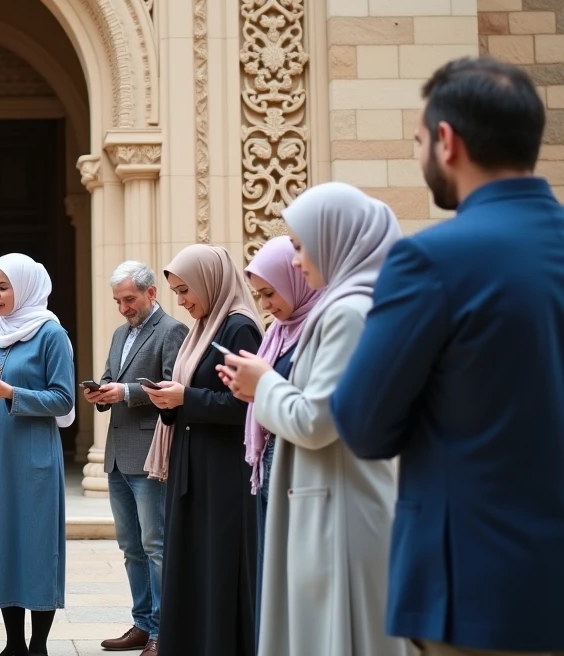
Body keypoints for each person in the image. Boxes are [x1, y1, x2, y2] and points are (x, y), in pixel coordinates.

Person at [331, 57, 564, 656]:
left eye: (417, 142)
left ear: (446, 140)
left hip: (477, 594)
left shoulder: (432, 260)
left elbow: (362, 423)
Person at [219, 186, 412, 656]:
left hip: (340, 510)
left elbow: (317, 420)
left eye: (303, 246)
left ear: (337, 239)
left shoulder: (348, 313)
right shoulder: (346, 306)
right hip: (329, 501)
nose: (298, 260)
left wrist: (263, 384)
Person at [143, 244, 262, 656]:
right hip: (193, 466)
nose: (181, 301)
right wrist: (172, 403)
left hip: (223, 472)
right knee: (193, 568)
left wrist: (184, 399)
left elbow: (248, 404)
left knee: (218, 569)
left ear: (208, 281)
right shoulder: (205, 326)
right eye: (176, 292)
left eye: (185, 290)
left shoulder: (238, 327)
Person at [0, 253, 75, 656]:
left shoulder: (51, 335)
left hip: (34, 461)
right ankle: (13, 644)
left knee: (36, 546)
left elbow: (63, 399)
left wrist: (11, 393)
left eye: (3, 287)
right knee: (4, 546)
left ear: (25, 288)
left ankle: (38, 645)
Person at [84, 261, 186, 656]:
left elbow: (170, 386)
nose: (124, 307)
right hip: (116, 457)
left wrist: (125, 393)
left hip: (149, 456)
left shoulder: (172, 330)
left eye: (129, 299)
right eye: (118, 301)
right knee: (130, 546)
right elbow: (113, 376)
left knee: (155, 543)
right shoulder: (118, 333)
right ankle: (142, 625)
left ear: (151, 294)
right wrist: (101, 392)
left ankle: (164, 631)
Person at [239, 236, 321, 642]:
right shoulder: (279, 333)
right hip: (270, 461)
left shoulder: (323, 325)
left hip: (304, 470)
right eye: (259, 295)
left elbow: (316, 412)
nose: (266, 305)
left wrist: (262, 385)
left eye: (270, 293)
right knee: (273, 571)